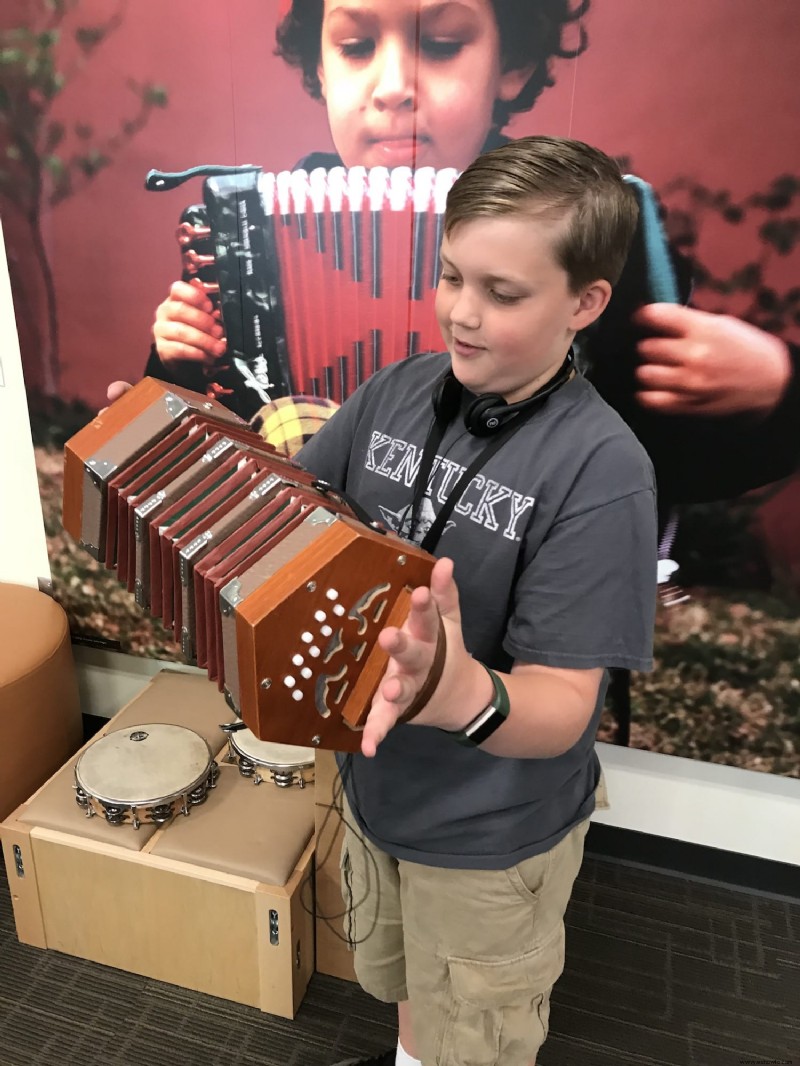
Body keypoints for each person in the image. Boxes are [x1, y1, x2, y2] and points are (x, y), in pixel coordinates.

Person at [292, 134, 655, 1066]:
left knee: (478, 1036)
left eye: (502, 294)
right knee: (416, 994)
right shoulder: (397, 391)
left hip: (488, 839)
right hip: (380, 794)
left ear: (586, 302)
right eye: (451, 276)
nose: (460, 315)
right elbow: (295, 509)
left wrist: (459, 693)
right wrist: (187, 457)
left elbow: (564, 711)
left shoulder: (604, 472)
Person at [143, 0, 589, 431]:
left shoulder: (565, 222)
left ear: (513, 63)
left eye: (441, 44)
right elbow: (217, 419)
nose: (393, 88)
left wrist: (645, 391)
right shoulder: (268, 223)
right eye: (356, 47)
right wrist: (178, 358)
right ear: (321, 67)